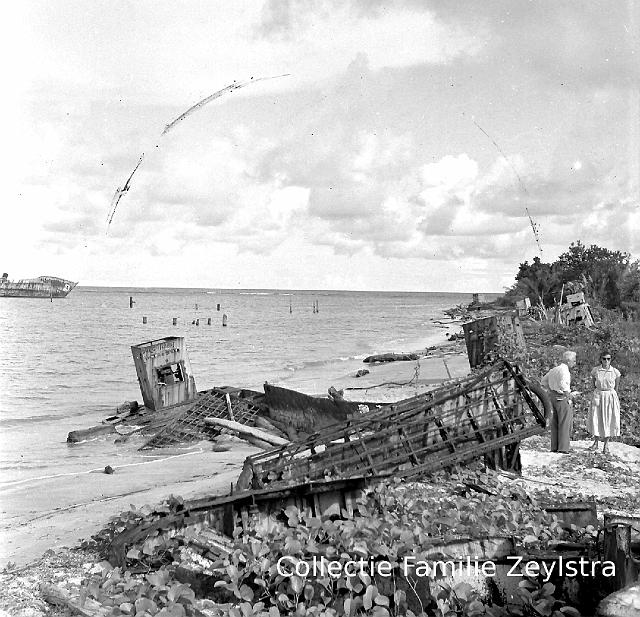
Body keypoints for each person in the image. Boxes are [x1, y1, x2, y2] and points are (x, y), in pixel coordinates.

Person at [541, 350, 578, 453]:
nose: (574, 363)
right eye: (574, 361)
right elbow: (563, 385)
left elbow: (543, 381)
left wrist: (551, 389)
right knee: (565, 422)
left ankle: (554, 446)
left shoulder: (554, 370)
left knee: (555, 422)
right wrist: (569, 395)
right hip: (562, 397)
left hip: (552, 397)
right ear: (568, 361)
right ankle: (563, 448)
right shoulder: (565, 371)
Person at [587, 351, 621, 455]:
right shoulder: (596, 370)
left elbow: (616, 387)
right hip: (598, 395)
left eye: (608, 359)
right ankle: (596, 442)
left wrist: (610, 396)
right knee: (596, 417)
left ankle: (606, 444)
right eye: (604, 358)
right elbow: (593, 384)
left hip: (609, 396)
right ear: (600, 359)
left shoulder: (615, 372)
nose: (606, 361)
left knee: (609, 419)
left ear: (611, 360)